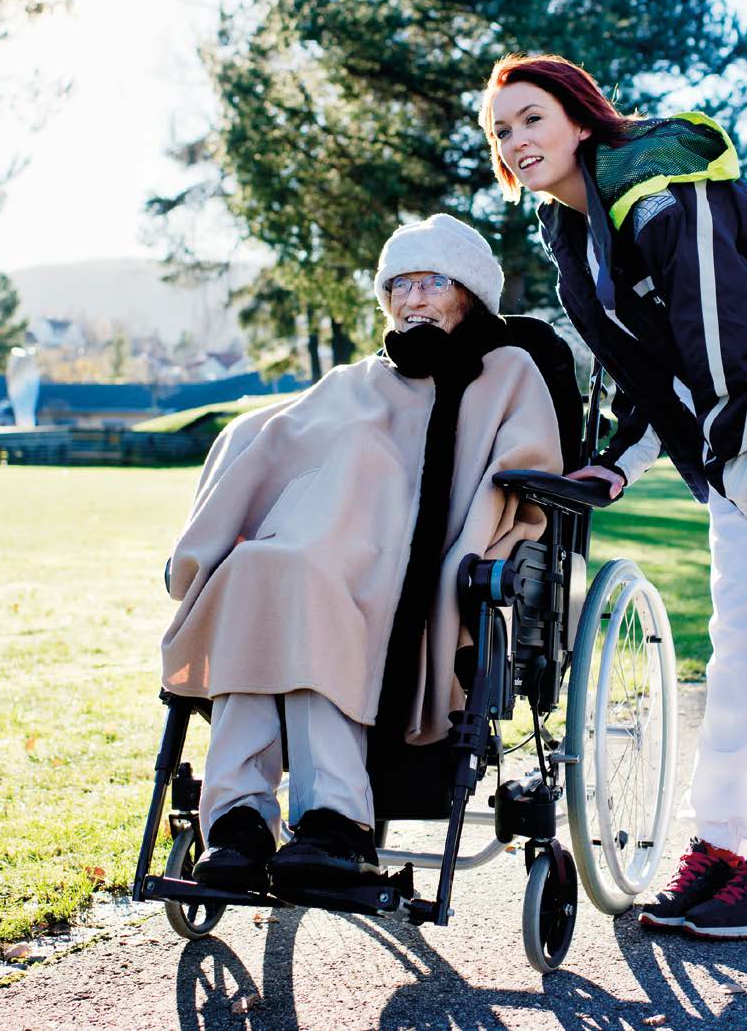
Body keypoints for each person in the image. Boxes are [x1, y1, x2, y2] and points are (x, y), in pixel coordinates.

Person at [479, 54, 747, 940]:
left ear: (578, 116)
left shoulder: (657, 192)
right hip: (740, 444)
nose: (516, 141)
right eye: (500, 132)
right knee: (739, 649)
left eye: (530, 119)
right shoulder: (580, 231)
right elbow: (653, 369)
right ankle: (720, 846)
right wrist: (619, 464)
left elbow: (714, 340)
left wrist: (734, 459)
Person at [160, 214, 562, 897]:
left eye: (431, 281)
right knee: (253, 573)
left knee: (309, 582)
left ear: (467, 290)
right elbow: (281, 437)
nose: (412, 299)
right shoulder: (354, 380)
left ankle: (334, 821)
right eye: (397, 284)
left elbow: (528, 469)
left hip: (415, 563)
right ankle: (237, 823)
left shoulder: (509, 370)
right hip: (318, 544)